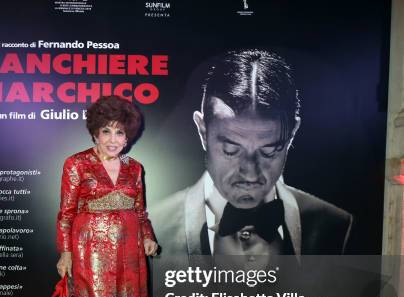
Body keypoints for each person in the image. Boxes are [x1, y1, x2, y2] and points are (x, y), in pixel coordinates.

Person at [151, 49, 352, 269]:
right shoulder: (153, 228)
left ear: (292, 132)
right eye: (230, 149)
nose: (250, 172)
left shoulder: (336, 228)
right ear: (202, 131)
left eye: (268, 151)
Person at [55, 95, 158, 297]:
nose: (114, 140)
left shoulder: (135, 168)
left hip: (128, 251)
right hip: (91, 253)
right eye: (107, 132)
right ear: (95, 134)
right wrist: (66, 254)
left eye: (120, 133)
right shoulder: (77, 164)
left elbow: (140, 212)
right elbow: (65, 215)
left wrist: (148, 238)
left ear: (129, 136)